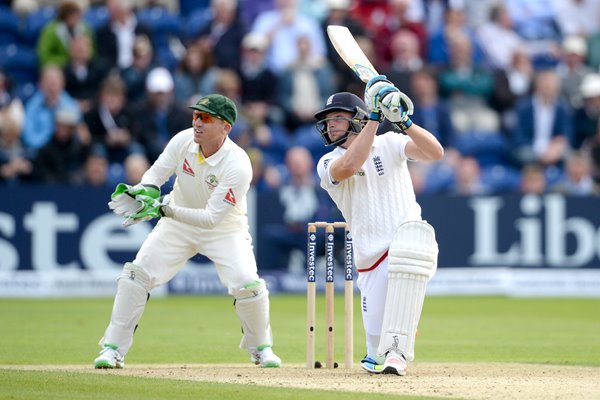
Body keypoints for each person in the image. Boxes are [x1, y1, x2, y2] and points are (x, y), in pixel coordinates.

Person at [94, 94, 281, 369]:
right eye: (195, 116)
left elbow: (209, 218)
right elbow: (156, 174)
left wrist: (162, 209)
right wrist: (145, 192)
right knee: (136, 275)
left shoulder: (238, 164)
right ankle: (112, 349)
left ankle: (261, 348)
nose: (197, 123)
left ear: (226, 127)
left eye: (206, 118)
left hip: (224, 229)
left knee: (248, 284)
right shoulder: (183, 140)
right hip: (177, 225)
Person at [314, 78, 444, 375]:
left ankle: (398, 352)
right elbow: (349, 166)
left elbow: (435, 153)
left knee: (409, 256)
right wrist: (375, 118)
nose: (331, 125)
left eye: (337, 118)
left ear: (355, 119)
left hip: (408, 240)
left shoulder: (391, 142)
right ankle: (379, 352)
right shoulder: (327, 163)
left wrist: (404, 122)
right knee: (375, 342)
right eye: (328, 120)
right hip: (370, 254)